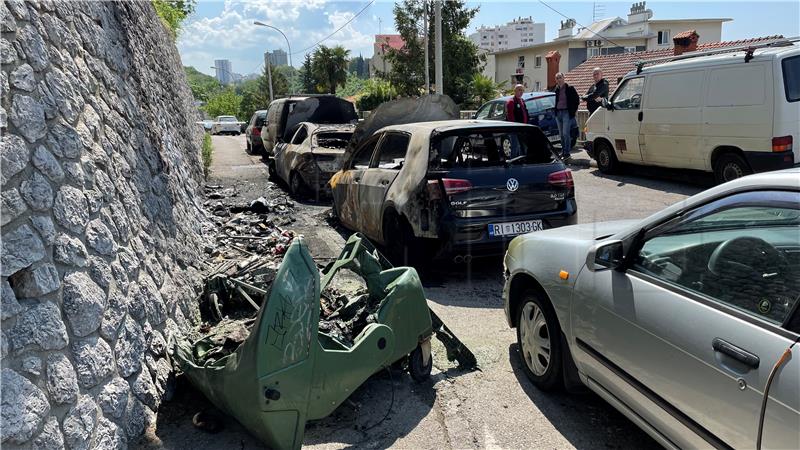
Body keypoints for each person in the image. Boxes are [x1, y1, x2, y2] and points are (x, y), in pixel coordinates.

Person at [553, 72, 579, 160]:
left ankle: (567, 153)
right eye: (557, 78)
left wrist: (573, 111)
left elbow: (577, 100)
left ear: (564, 78)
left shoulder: (570, 88)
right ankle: (563, 152)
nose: (559, 79)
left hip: (566, 113)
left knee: (565, 133)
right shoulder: (556, 89)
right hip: (558, 113)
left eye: (560, 77)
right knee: (561, 135)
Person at [504, 84, 529, 158]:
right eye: (519, 90)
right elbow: (510, 117)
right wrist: (516, 127)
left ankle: (522, 162)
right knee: (515, 146)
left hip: (523, 128)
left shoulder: (522, 101)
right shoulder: (511, 102)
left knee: (523, 146)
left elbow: (526, 113)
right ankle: (514, 163)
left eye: (522, 90)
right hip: (515, 129)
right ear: (515, 91)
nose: (521, 92)